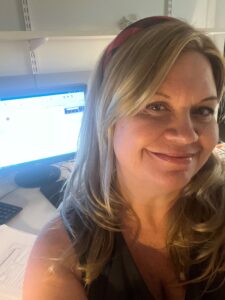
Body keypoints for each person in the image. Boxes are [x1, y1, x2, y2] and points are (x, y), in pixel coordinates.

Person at [23, 16, 225, 300]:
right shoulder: (59, 259)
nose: (186, 135)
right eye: (156, 106)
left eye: (203, 111)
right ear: (107, 118)